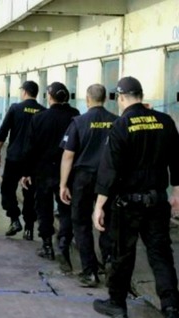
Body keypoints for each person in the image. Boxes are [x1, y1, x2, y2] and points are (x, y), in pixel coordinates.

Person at [92, 76, 179, 318]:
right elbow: (177, 160)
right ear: (140, 95)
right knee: (161, 256)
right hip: (157, 202)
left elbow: (109, 169)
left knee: (122, 254)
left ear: (120, 98)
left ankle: (117, 304)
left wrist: (98, 206)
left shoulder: (121, 126)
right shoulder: (165, 122)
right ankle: (173, 316)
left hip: (127, 204)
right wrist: (177, 192)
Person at [59, 84, 117, 287]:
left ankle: (90, 271)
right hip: (109, 178)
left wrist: (63, 184)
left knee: (81, 222)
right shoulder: (116, 121)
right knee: (107, 222)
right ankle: (109, 263)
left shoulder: (79, 122)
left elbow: (68, 155)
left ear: (87, 99)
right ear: (106, 99)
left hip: (83, 178)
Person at [21, 82, 79, 268]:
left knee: (44, 208)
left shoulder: (39, 118)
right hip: (68, 172)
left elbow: (30, 148)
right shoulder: (75, 116)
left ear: (49, 97)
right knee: (66, 209)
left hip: (43, 171)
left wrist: (26, 172)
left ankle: (47, 246)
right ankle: (63, 243)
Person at [0, 81, 45, 241]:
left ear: (25, 92)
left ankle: (14, 219)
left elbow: (3, 131)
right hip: (34, 161)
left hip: (15, 157)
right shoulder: (43, 111)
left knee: (7, 189)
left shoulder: (15, 108)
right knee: (30, 193)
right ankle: (29, 229)